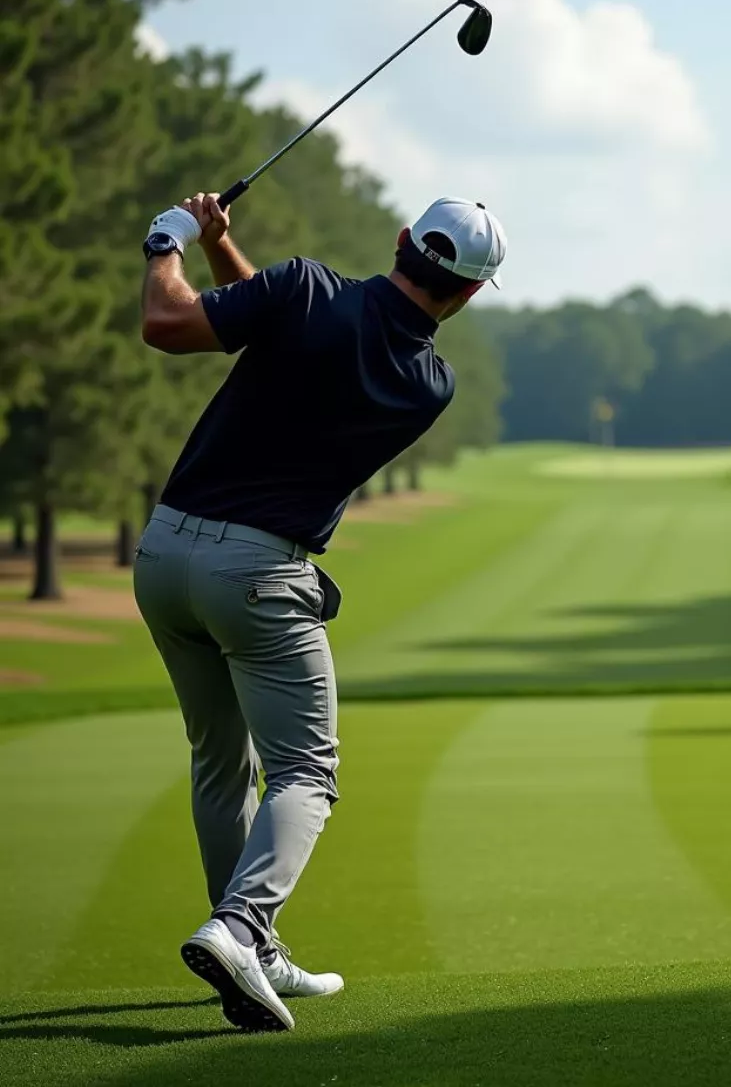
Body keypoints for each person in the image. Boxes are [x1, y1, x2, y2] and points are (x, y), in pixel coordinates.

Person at [133, 191, 506, 1033]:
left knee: (219, 763)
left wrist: (171, 239)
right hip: (259, 575)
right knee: (306, 772)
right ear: (471, 293)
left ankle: (253, 951)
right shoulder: (427, 384)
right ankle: (240, 928)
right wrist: (228, 254)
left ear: (403, 240)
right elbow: (299, 329)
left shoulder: (301, 289)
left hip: (162, 556)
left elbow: (170, 320)